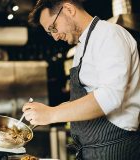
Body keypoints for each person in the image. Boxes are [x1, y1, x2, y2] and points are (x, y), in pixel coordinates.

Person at [22, 0, 140, 159]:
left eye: (53, 28)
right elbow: (86, 98)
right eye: (50, 33)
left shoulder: (109, 34)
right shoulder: (80, 48)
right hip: (92, 149)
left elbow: (110, 97)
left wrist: (51, 114)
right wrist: (43, 112)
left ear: (69, 9)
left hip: (115, 148)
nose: (55, 37)